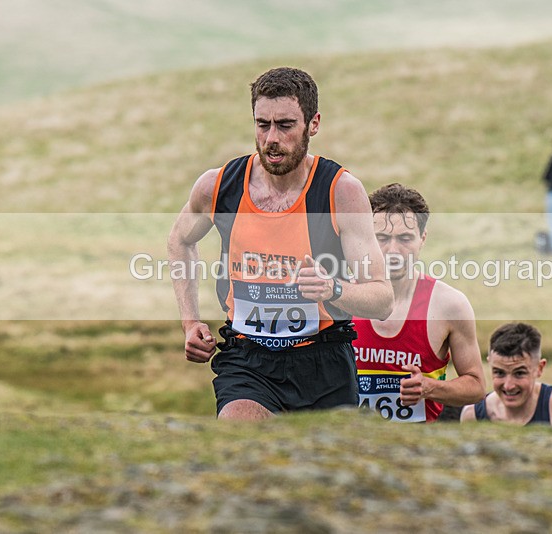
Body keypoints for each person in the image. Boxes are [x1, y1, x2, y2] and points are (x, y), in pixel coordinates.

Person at [167, 67, 394, 421]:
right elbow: (180, 241)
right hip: (248, 359)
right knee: (239, 429)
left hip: (325, 360)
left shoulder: (340, 191)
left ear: (313, 124)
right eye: (263, 124)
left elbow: (382, 300)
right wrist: (189, 322)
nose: (272, 137)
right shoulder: (220, 186)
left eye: (285, 125)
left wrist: (332, 288)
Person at [353, 183, 486, 423]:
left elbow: (476, 387)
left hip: (417, 451)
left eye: (405, 238)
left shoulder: (449, 305)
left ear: (422, 239)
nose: (393, 250)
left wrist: (429, 388)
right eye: (381, 238)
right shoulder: (343, 297)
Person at [460, 322, 552, 429]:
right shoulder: (473, 414)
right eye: (499, 373)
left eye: (519, 373)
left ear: (539, 368)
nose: (509, 386)